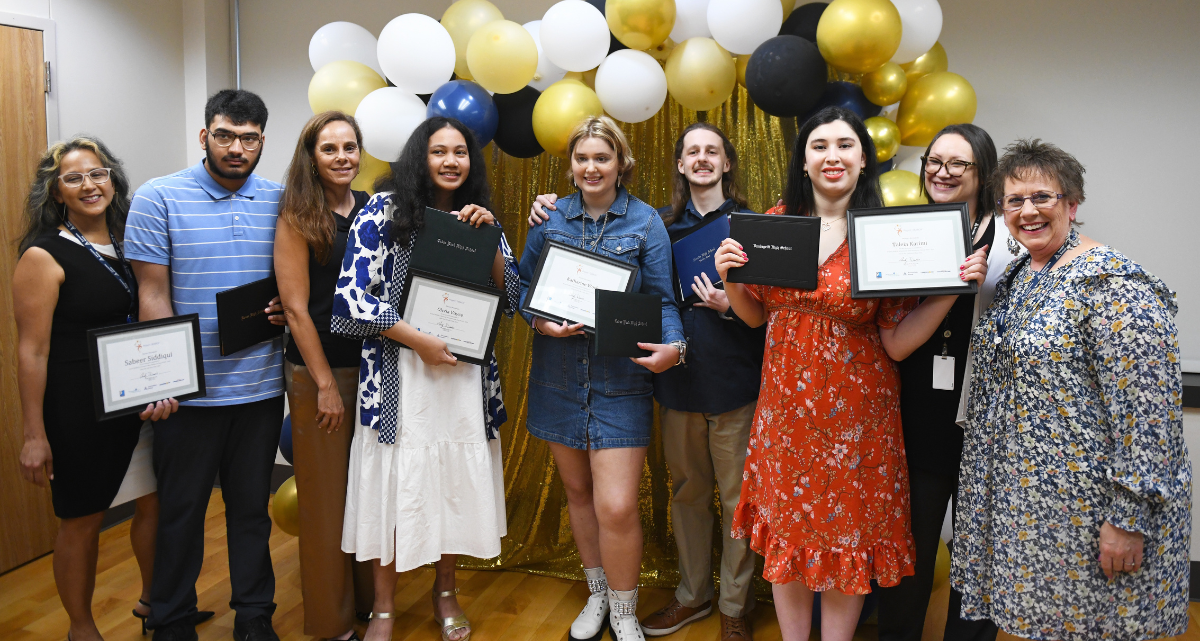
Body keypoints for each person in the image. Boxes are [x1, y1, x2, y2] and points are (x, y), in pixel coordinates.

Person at [713, 106, 987, 641]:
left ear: (864, 159)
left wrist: (955, 289)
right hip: (786, 415)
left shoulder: (883, 234)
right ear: (804, 160)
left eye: (844, 145)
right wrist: (730, 280)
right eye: (819, 146)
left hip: (857, 422)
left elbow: (897, 342)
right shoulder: (776, 223)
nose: (831, 156)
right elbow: (756, 316)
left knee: (847, 542)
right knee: (789, 540)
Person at [533, 122, 766, 640]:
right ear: (679, 165)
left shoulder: (750, 226)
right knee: (686, 496)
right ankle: (691, 597)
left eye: (713, 151)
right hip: (673, 386)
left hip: (733, 382)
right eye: (692, 152)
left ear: (727, 162)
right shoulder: (661, 223)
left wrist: (732, 308)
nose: (702, 159)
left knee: (735, 501)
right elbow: (531, 285)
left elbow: (774, 306)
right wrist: (537, 314)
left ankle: (733, 606)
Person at [952, 139, 1191, 640]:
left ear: (1072, 204)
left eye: (1043, 197)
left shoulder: (1112, 284)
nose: (1028, 211)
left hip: (1091, 513)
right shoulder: (1020, 276)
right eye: (1013, 201)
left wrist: (1127, 518)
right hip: (1038, 512)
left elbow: (1147, 414)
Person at [332, 116, 519, 641]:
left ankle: (445, 593)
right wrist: (418, 341)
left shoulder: (481, 219)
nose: (451, 161)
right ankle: (386, 608)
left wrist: (491, 240)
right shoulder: (381, 210)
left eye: (460, 152)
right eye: (440, 151)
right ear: (421, 157)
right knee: (394, 488)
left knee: (452, 486)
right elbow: (351, 296)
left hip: (461, 380)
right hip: (400, 376)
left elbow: (513, 297)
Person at [12, 137, 192, 641]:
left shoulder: (132, 240)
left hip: (143, 402)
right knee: (82, 520)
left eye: (98, 173)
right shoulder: (43, 257)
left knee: (153, 503)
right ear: (55, 193)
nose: (90, 185)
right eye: (74, 178)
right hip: (78, 411)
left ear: (112, 179)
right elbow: (32, 351)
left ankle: (154, 602)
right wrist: (33, 434)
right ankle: (82, 626)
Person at [124, 89, 287, 641]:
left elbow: (297, 284)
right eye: (225, 135)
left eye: (248, 138)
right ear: (204, 136)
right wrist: (163, 380)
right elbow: (152, 295)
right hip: (188, 397)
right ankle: (169, 619)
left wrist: (286, 307)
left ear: (263, 140)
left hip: (261, 389)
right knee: (180, 514)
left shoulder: (281, 200)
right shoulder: (158, 197)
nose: (236, 147)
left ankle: (255, 616)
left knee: (250, 513)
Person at [519, 115, 686, 641]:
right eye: (582, 158)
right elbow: (523, 291)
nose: (592, 167)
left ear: (622, 164)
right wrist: (538, 319)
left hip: (620, 382)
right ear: (570, 166)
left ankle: (625, 608)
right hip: (558, 378)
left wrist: (676, 348)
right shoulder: (547, 219)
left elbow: (663, 299)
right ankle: (596, 596)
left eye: (602, 158)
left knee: (615, 503)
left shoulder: (645, 223)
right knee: (578, 493)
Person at [877, 123, 1014, 641]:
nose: (942, 171)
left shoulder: (1010, 240)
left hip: (986, 419)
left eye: (960, 164)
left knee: (979, 551)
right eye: (935, 160)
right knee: (910, 545)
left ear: (984, 173)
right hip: (918, 412)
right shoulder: (901, 230)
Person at [275, 111, 374, 641]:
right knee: (326, 503)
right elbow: (294, 309)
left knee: (364, 492)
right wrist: (327, 386)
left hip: (374, 369)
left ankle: (362, 602)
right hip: (322, 373)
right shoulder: (297, 215)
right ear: (311, 156)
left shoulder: (371, 211)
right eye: (330, 148)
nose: (342, 157)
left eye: (350, 147)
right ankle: (331, 625)